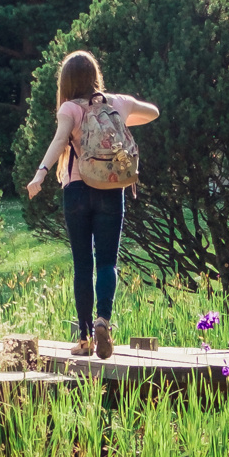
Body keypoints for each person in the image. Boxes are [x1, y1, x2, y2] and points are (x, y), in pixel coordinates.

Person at [25, 50, 158, 359]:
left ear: (66, 82)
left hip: (76, 189)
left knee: (83, 264)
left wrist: (40, 174)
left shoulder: (69, 108)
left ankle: (84, 338)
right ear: (95, 76)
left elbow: (60, 141)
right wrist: (119, 119)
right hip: (112, 188)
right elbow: (153, 112)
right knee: (108, 261)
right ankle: (104, 321)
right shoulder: (117, 103)